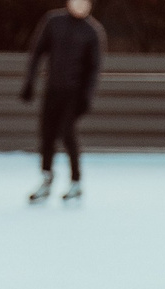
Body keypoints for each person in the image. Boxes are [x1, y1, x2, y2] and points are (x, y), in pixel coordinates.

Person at [19, 0, 101, 205]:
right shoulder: (53, 22)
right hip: (52, 90)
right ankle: (46, 178)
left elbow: (93, 69)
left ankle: (76, 181)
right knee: (47, 134)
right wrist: (29, 82)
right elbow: (37, 53)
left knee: (67, 133)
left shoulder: (92, 32)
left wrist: (87, 97)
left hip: (74, 94)